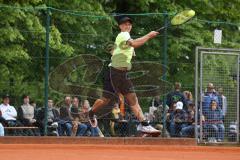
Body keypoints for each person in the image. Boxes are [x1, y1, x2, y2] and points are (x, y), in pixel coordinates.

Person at [88, 16, 160, 134]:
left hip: (123, 74)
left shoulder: (126, 38)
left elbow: (121, 49)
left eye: (129, 24)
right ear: (120, 26)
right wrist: (149, 35)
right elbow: (134, 43)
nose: (128, 26)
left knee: (133, 99)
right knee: (105, 100)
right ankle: (91, 112)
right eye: (125, 24)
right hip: (114, 73)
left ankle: (144, 125)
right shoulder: (123, 34)